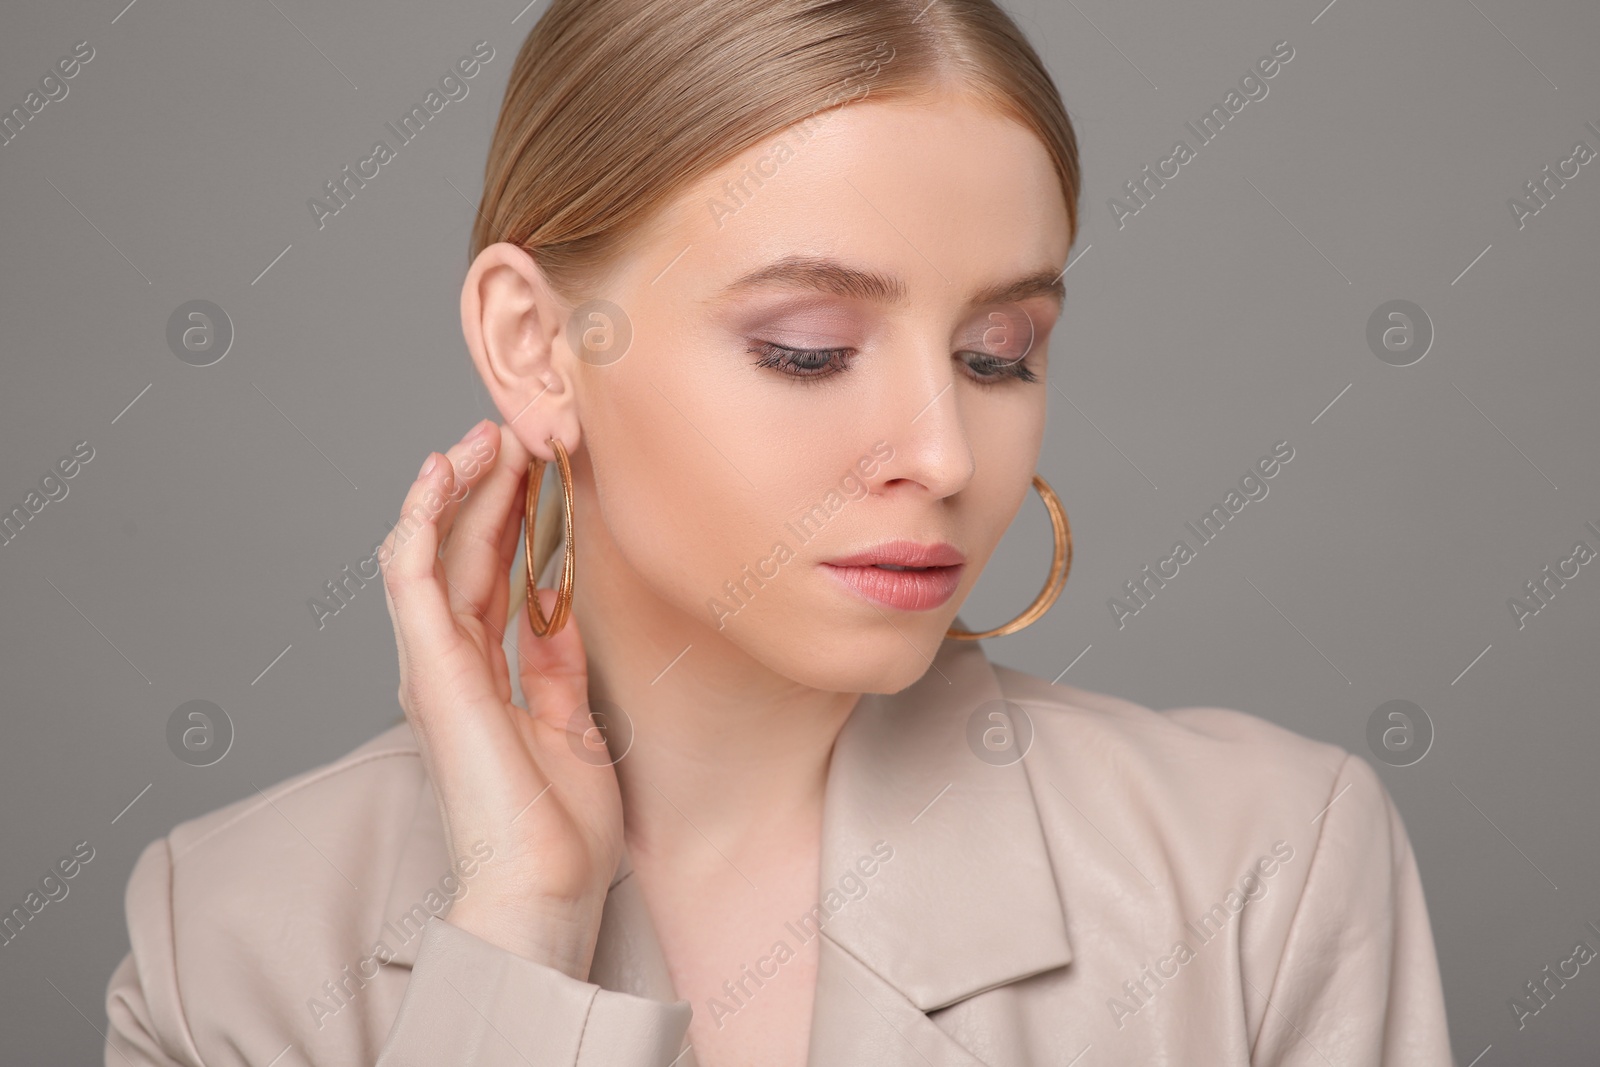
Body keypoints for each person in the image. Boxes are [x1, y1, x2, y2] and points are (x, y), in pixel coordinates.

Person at [103, 0, 1456, 1063]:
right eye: (809, 351)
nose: (939, 453)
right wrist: (517, 927)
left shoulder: (1266, 872)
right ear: (538, 346)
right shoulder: (226, 940)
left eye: (998, 354)